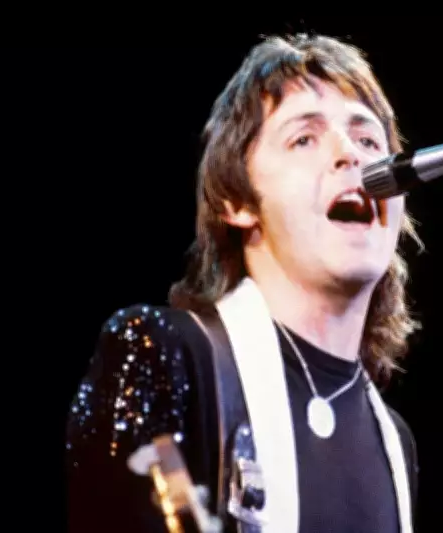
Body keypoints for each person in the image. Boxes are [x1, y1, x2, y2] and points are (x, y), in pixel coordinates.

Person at [66, 33, 423, 533]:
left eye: (368, 141)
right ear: (236, 202)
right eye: (304, 139)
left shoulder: (393, 444)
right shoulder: (168, 357)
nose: (351, 156)